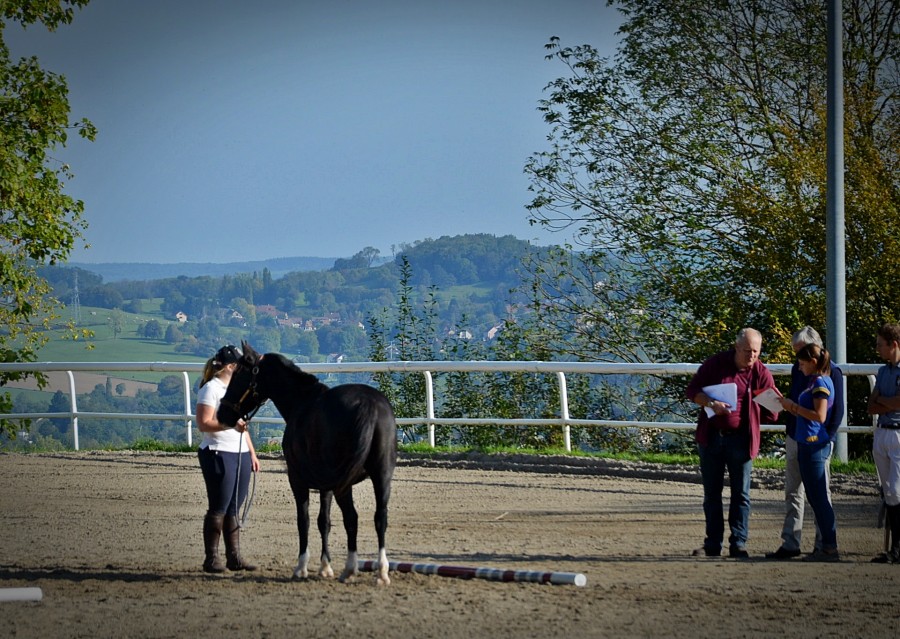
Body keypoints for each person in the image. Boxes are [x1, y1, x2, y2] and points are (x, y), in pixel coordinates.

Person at [686, 328, 780, 558]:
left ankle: (738, 543)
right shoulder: (715, 364)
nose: (752, 356)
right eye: (747, 351)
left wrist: (768, 404)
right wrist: (711, 403)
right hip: (712, 438)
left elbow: (773, 412)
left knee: (741, 495)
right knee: (712, 494)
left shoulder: (761, 372)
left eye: (756, 351)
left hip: (742, 440)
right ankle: (712, 544)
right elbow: (692, 390)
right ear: (736, 347)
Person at [766, 327, 844, 560]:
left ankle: (825, 544)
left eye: (800, 352)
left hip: (814, 440)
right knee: (794, 491)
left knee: (819, 494)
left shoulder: (830, 374)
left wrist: (826, 436)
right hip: (798, 436)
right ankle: (792, 542)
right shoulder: (800, 369)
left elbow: (832, 411)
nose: (797, 359)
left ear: (813, 353)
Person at [196, 344, 260, 573]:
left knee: (233, 508)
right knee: (219, 507)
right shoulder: (211, 389)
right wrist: (230, 424)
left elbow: (242, 425)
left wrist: (251, 452)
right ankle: (211, 558)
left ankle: (234, 557)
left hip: (238, 451)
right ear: (231, 366)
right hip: (217, 451)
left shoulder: (235, 390)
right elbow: (204, 423)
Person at [867, 323, 900, 564]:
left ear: (893, 344)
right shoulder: (882, 370)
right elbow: (871, 406)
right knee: (889, 491)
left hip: (898, 433)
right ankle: (895, 548)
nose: (877, 348)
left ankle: (897, 547)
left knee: (896, 490)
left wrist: (884, 402)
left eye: (881, 344)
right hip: (883, 431)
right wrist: (891, 402)